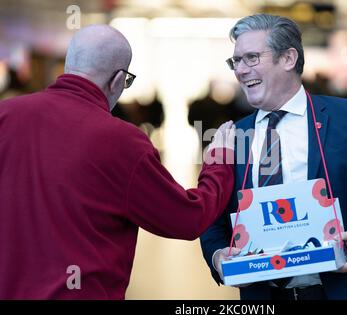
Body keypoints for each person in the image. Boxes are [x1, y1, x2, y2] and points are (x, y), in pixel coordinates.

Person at [0, 25, 235, 299]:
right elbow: (187, 218)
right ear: (118, 79)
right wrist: (220, 159)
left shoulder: (6, 115)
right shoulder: (121, 140)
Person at [200, 14, 347, 300]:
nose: (240, 70)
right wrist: (218, 258)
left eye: (251, 58)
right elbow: (211, 221)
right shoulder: (232, 135)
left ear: (288, 58)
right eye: (236, 61)